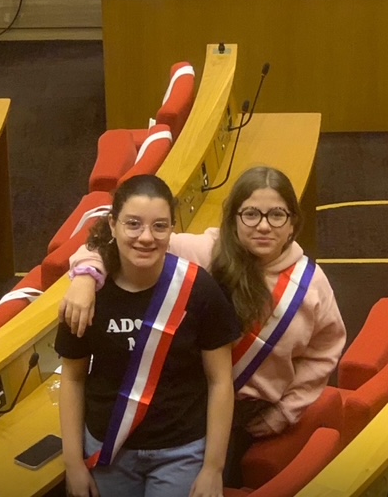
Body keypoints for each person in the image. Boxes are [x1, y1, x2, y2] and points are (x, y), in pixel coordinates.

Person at [60, 166, 346, 487]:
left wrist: (284, 413)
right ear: (233, 218)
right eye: (251, 214)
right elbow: (119, 244)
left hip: (250, 420)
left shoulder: (311, 285)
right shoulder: (206, 252)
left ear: (293, 222)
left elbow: (323, 355)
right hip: (188, 406)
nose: (264, 226)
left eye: (277, 215)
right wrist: (85, 277)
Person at [55, 174, 240, 497]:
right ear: (112, 225)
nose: (146, 237)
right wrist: (73, 463)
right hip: (109, 448)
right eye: (133, 224)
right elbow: (72, 378)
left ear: (172, 229)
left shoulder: (198, 290)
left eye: (159, 226)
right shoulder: (86, 295)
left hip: (181, 451)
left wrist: (214, 467)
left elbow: (220, 381)